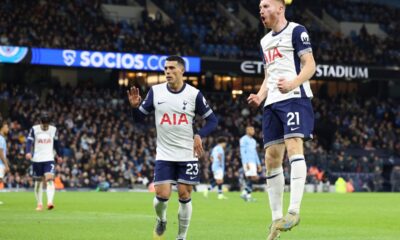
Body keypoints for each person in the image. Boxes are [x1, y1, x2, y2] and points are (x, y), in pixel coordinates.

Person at [127, 55, 218, 240]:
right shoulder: (156, 92)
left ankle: (181, 237)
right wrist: (134, 108)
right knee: (162, 195)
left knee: (184, 195)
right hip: (165, 153)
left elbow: (212, 120)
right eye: (165, 68)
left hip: (187, 154)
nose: (167, 71)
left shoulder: (194, 94)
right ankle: (161, 219)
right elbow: (138, 118)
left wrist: (199, 134)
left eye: (171, 68)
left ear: (182, 70)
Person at [247, 0, 316, 239]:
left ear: (280, 8)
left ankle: (294, 211)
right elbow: (269, 73)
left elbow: (310, 65)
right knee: (271, 158)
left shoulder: (297, 31)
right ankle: (277, 219)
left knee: (294, 145)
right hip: (272, 103)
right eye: (260, 7)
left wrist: (293, 83)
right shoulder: (264, 41)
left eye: (266, 6)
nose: (261, 10)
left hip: (295, 97)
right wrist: (260, 94)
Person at [25, 112, 62, 211]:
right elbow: (29, 141)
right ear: (40, 122)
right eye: (44, 125)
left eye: (47, 125)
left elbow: (57, 143)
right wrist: (28, 152)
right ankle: (39, 204)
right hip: (37, 159)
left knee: (50, 179)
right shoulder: (34, 129)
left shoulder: (53, 130)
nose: (45, 127)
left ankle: (50, 202)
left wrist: (59, 155)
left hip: (49, 158)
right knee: (38, 182)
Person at [240, 126, 261, 202]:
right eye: (251, 129)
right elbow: (243, 152)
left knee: (250, 178)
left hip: (253, 161)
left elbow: (255, 153)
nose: (253, 131)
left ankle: (248, 196)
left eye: (253, 129)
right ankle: (244, 192)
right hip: (248, 161)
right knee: (254, 177)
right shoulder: (243, 139)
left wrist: (258, 163)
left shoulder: (254, 141)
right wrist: (246, 162)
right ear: (247, 130)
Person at [0, 120, 10, 205]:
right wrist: (6, 165)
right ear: (2, 128)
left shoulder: (2, 138)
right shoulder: (0, 138)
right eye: (7, 127)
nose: (8, 129)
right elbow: (1, 152)